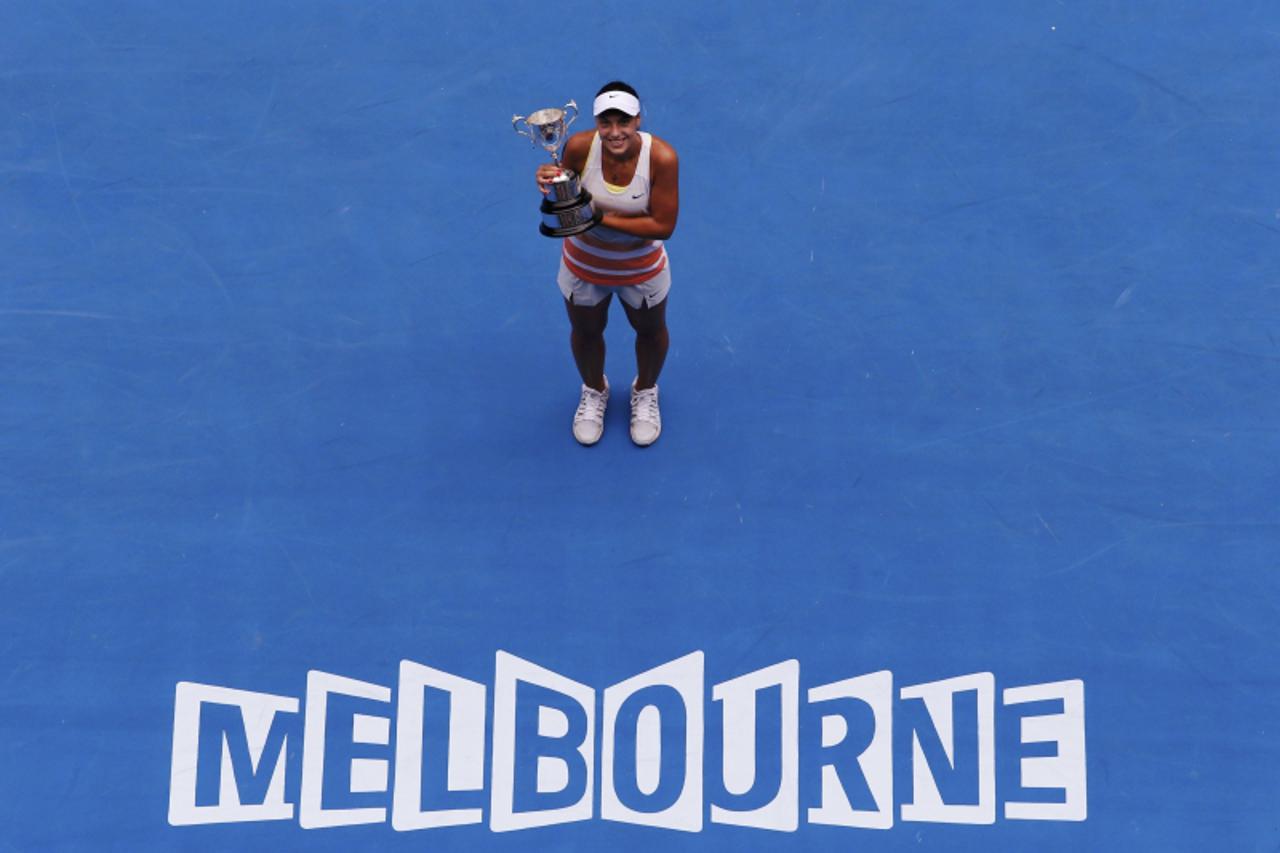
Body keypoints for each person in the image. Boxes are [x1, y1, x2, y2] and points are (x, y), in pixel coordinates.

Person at [536, 81, 679, 447]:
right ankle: (594, 390)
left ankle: (645, 391)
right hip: (584, 266)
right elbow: (566, 198)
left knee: (650, 332)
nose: (615, 132)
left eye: (624, 121)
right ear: (597, 122)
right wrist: (548, 181)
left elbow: (663, 225)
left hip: (641, 269)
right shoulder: (579, 147)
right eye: (606, 122)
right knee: (585, 333)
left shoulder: (661, 157)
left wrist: (597, 215)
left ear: (638, 120)